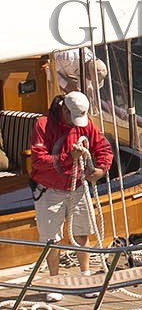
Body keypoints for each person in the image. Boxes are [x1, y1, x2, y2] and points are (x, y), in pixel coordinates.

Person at [29, 91, 113, 276]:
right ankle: (54, 279)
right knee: (52, 240)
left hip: (78, 187)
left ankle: (85, 273)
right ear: (64, 110)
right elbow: (38, 161)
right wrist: (68, 157)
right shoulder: (43, 124)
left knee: (82, 233)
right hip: (49, 190)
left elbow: (103, 148)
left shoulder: (86, 124)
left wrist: (101, 169)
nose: (76, 123)